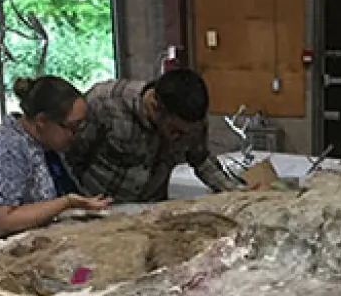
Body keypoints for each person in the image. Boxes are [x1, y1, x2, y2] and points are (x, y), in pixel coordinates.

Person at [0, 75, 112, 247]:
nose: (76, 135)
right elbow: (0, 222)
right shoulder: (3, 147)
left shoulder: (49, 145)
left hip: (53, 244)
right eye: (72, 127)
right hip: (7, 258)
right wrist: (66, 202)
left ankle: (82, 275)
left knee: (90, 268)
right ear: (42, 121)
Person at [66, 69, 241, 204]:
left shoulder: (193, 122)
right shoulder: (105, 104)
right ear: (154, 107)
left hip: (150, 208)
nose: (178, 139)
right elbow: (71, 159)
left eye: (187, 134)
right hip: (101, 207)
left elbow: (201, 160)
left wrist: (235, 192)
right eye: (176, 132)